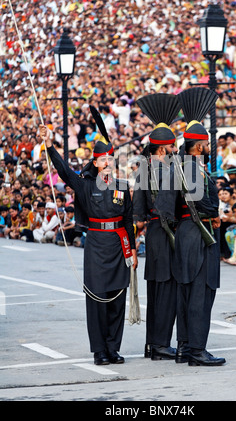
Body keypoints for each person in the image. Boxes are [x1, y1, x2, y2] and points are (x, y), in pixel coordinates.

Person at [39, 106, 137, 366]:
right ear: (95, 163)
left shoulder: (122, 187)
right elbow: (64, 172)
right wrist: (49, 146)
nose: (108, 164)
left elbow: (128, 220)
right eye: (103, 160)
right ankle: (99, 351)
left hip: (118, 246)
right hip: (95, 245)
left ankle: (113, 348)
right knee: (97, 300)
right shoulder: (85, 186)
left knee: (117, 298)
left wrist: (134, 250)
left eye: (111, 160)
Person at [155, 87, 226, 366]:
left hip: (186, 234)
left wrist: (180, 225)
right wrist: (215, 214)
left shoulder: (178, 167)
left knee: (186, 293)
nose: (210, 147)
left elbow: (163, 208)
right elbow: (206, 205)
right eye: (207, 143)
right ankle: (197, 350)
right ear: (199, 146)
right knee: (200, 293)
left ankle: (185, 346)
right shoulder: (193, 168)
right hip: (198, 235)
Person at [133, 93, 180, 361]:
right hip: (164, 233)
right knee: (166, 289)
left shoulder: (142, 168)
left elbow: (137, 212)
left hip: (152, 234)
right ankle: (161, 344)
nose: (175, 151)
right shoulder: (166, 170)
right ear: (162, 149)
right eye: (172, 147)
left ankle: (154, 343)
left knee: (156, 289)